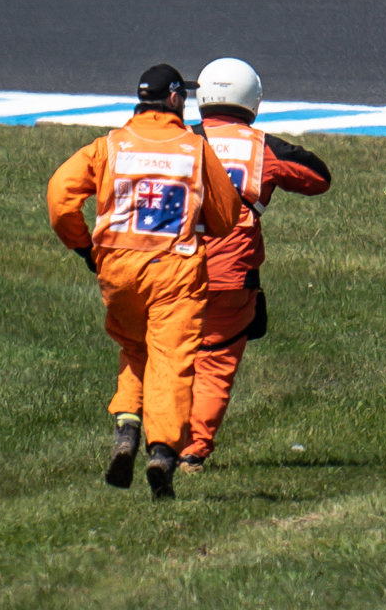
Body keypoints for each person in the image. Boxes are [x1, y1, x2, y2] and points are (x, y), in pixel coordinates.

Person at [46, 63, 244, 496]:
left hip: (117, 267)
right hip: (174, 270)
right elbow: (227, 215)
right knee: (170, 359)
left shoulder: (109, 145)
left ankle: (125, 432)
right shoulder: (194, 148)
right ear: (174, 98)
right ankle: (161, 452)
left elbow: (60, 197)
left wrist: (84, 248)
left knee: (135, 348)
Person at [179, 57, 333, 466]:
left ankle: (160, 438)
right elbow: (318, 178)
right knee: (215, 362)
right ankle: (194, 449)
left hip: (172, 269)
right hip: (232, 275)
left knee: (170, 355)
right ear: (253, 100)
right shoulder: (263, 147)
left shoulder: (180, 140)